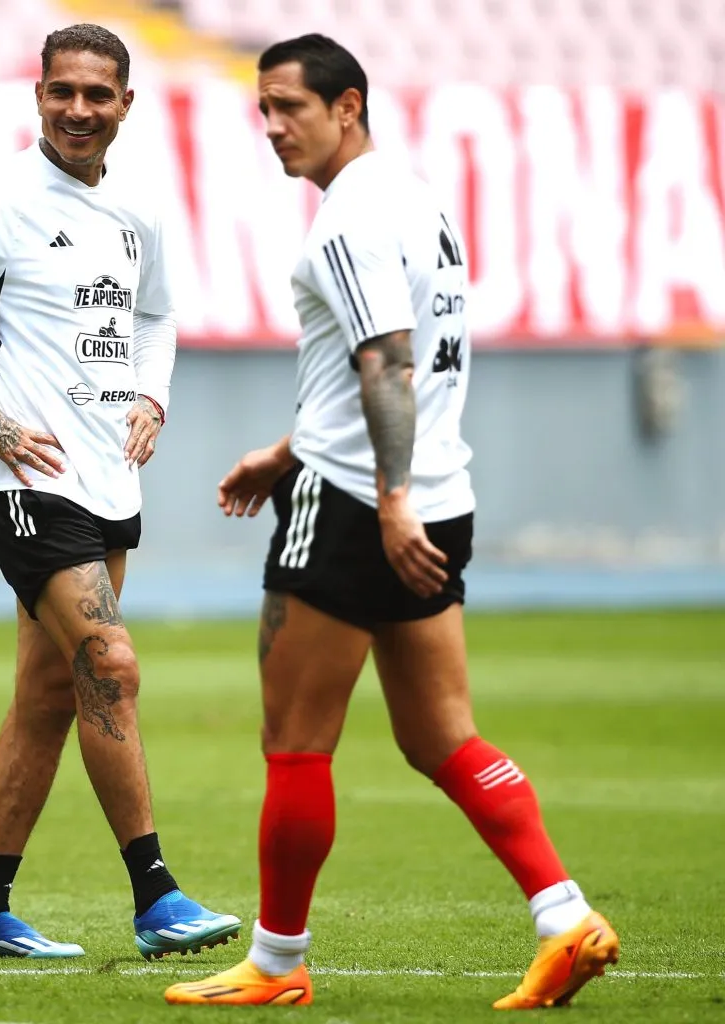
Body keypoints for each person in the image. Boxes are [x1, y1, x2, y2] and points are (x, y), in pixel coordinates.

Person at [165, 33, 618, 1009]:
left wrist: (386, 497)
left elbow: (387, 361)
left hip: (358, 506)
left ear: (348, 107)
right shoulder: (417, 200)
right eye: (263, 109)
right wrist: (290, 450)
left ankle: (276, 963)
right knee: (443, 737)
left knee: (294, 741)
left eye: (290, 106)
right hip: (443, 497)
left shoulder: (346, 222)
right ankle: (565, 916)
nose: (272, 126)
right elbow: (372, 369)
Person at [0, 23, 239, 962]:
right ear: (37, 96)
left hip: (108, 479)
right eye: (61, 91)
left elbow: (157, 317)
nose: (78, 109)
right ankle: (157, 896)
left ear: (125, 105)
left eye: (97, 94)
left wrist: (152, 394)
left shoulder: (140, 210)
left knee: (47, 698)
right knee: (110, 662)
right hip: (27, 481)